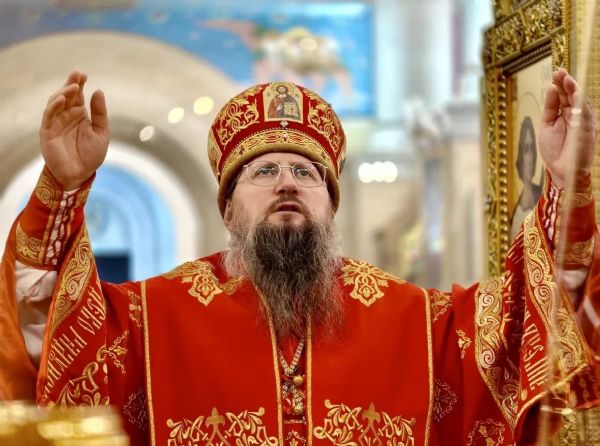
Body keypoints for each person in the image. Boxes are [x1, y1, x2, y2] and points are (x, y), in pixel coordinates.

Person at [0, 69, 599, 445]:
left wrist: (567, 185)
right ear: (228, 206)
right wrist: (62, 187)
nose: (287, 182)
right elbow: (47, 333)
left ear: (330, 204)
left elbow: (528, 318)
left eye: (306, 172)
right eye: (263, 171)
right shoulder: (148, 319)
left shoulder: (417, 321)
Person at [510, 116, 544, 240]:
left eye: (531, 149)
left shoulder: (542, 196)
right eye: (526, 149)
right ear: (520, 156)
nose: (529, 158)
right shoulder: (516, 211)